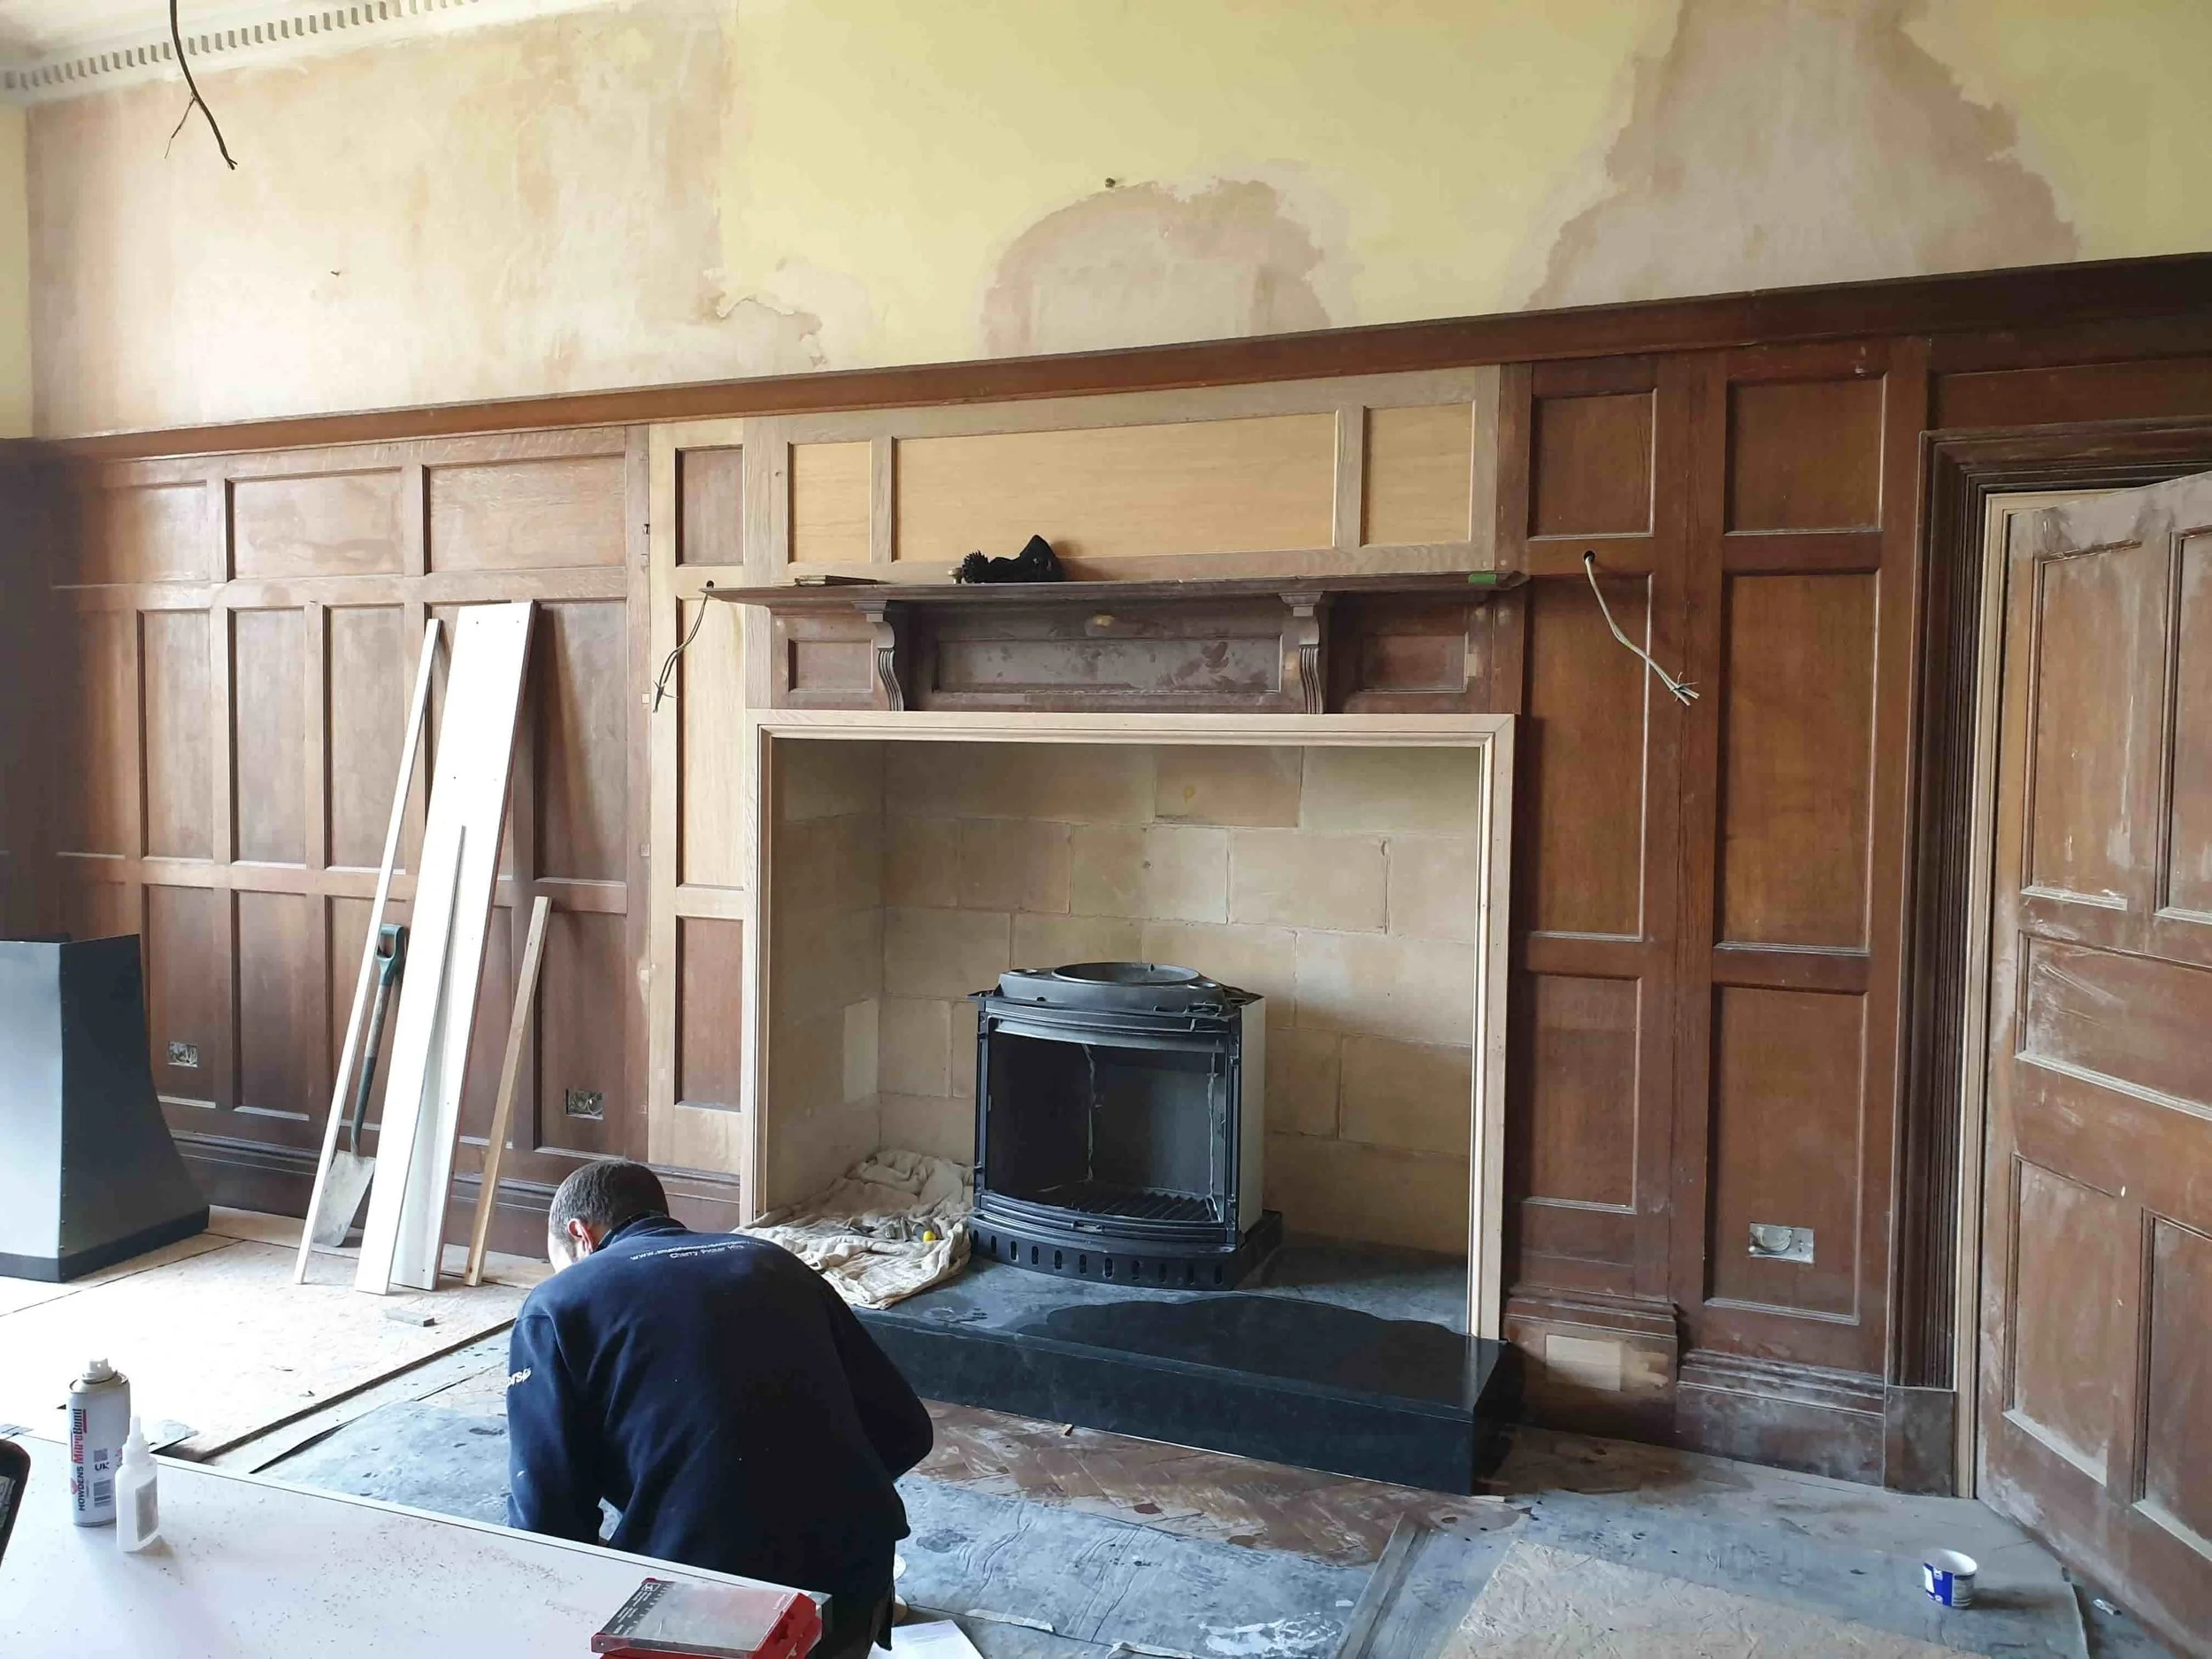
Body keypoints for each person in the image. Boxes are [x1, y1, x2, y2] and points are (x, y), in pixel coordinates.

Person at [505, 1161, 932, 1659]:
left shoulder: (558, 1303)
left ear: (580, 1235)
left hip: (707, 1612)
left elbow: (546, 1522)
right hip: (855, 1582)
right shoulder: (769, 1260)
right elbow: (907, 1431)